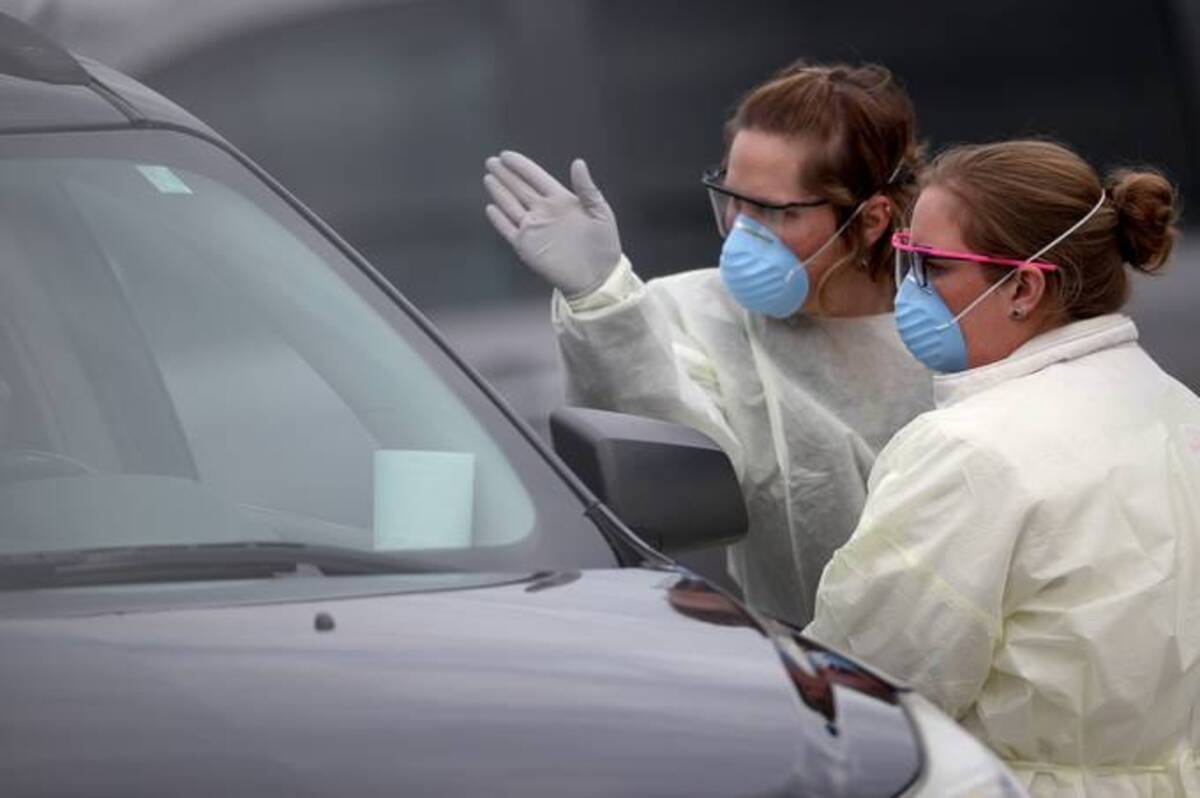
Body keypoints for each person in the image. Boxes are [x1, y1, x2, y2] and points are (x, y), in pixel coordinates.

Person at [805, 139, 1200, 796]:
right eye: (905, 259)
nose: (909, 290)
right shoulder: (1180, 411)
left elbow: (858, 690)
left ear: (1023, 286)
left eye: (931, 266)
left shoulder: (971, 452)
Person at [483, 62, 932, 626]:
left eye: (775, 211)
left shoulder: (953, 318)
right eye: (730, 199)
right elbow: (670, 469)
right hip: (820, 660)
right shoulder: (691, 311)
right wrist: (602, 301)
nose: (741, 230)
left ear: (870, 220)